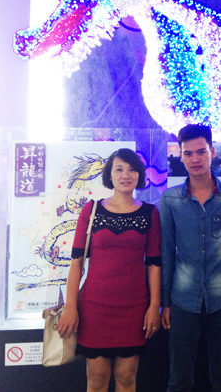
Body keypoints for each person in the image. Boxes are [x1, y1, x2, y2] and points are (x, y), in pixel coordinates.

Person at [58, 148, 161, 392]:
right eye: (119, 169)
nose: (126, 175)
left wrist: (154, 306)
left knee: (127, 378)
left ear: (140, 174)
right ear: (110, 175)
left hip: (134, 308)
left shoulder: (150, 213)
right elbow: (76, 263)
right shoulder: (91, 210)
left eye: (132, 169)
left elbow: (154, 263)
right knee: (96, 379)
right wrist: (71, 306)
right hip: (94, 307)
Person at [160, 124, 221, 392]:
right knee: (179, 380)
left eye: (201, 152)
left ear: (212, 152)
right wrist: (165, 303)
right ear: (181, 156)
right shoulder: (170, 199)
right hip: (183, 299)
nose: (195, 159)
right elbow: (166, 253)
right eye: (188, 154)